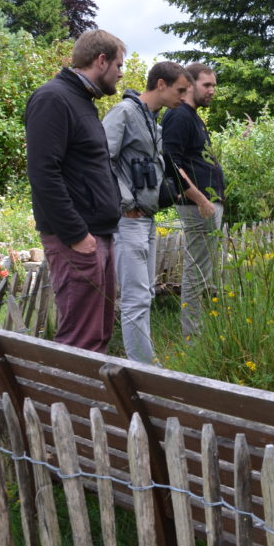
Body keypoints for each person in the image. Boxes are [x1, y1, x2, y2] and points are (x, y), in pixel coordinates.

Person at [104, 61, 216, 362]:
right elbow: (101, 160)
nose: (184, 96)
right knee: (136, 299)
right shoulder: (125, 113)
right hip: (129, 220)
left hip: (147, 218)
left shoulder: (152, 122)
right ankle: (144, 372)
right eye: (181, 89)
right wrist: (124, 203)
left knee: (146, 295)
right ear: (161, 84)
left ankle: (145, 364)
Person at [25, 30, 125, 353]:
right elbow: (43, 174)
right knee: (79, 342)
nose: (121, 73)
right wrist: (76, 235)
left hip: (98, 235)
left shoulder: (82, 101)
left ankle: (88, 404)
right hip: (77, 240)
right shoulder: (53, 98)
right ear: (101, 60)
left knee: (98, 337)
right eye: (119, 65)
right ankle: (63, 405)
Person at [161, 63, 223, 339]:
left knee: (203, 271)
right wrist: (201, 199)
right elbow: (171, 163)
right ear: (189, 84)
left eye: (214, 85)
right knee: (196, 273)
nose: (213, 91)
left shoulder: (193, 116)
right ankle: (192, 338)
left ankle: (196, 333)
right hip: (196, 207)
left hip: (204, 206)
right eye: (207, 85)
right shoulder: (179, 116)